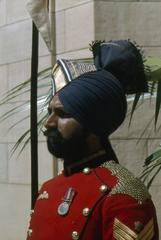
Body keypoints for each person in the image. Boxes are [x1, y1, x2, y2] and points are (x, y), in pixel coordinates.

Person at [26, 40, 159, 240]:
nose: (48, 124)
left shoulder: (124, 196)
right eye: (50, 112)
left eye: (62, 114)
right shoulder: (49, 188)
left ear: (92, 122)